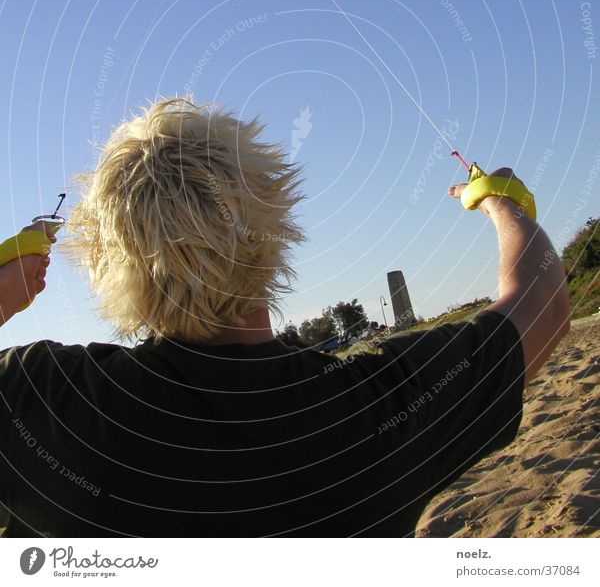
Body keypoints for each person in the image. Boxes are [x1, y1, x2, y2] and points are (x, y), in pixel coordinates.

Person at [0, 99, 570, 537]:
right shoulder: (377, 411)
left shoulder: (44, 403)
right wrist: (500, 201)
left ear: (105, 261)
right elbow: (541, 300)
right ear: (273, 226)